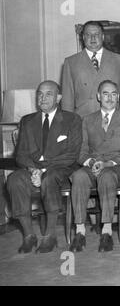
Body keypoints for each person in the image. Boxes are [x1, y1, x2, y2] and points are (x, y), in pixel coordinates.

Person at [7, 80, 82, 253]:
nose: (43, 98)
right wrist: (33, 170)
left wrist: (42, 171)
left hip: (60, 169)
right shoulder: (27, 121)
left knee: (49, 178)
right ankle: (28, 235)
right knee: (14, 179)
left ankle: (50, 236)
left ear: (59, 97)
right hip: (33, 168)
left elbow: (72, 155)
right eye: (40, 94)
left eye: (49, 94)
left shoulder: (72, 119)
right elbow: (21, 155)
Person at [69, 80, 120, 252]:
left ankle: (106, 231)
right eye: (106, 94)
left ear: (118, 96)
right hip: (93, 166)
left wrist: (108, 163)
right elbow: (81, 150)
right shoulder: (87, 120)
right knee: (78, 176)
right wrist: (91, 162)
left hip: (118, 168)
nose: (110, 97)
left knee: (107, 176)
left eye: (113, 94)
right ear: (98, 96)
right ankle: (80, 232)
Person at [61, 20, 120, 117]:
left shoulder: (119, 60)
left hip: (113, 119)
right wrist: (68, 124)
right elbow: (67, 99)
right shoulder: (71, 62)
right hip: (83, 120)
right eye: (88, 34)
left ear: (103, 37)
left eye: (96, 34)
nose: (93, 38)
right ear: (83, 37)